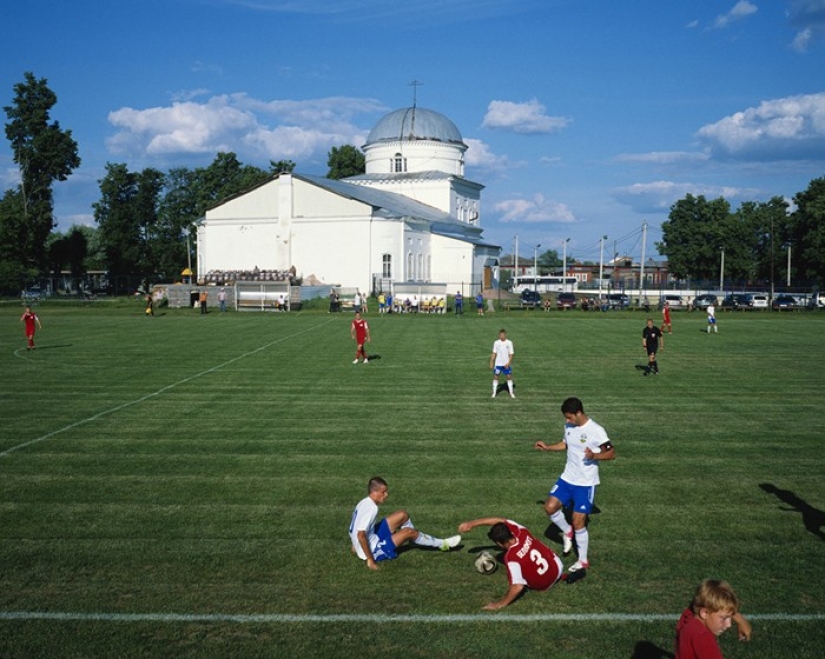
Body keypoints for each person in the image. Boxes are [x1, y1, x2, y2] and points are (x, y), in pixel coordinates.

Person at [534, 397, 615, 572]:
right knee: (549, 507)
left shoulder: (596, 431)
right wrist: (548, 447)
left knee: (578, 522)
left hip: (585, 483)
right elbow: (565, 444)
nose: (567, 421)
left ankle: (583, 561)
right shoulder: (570, 426)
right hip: (566, 478)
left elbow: (611, 453)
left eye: (570, 417)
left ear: (579, 413)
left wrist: (595, 456)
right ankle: (567, 532)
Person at [349, 476, 461, 570]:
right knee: (408, 532)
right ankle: (443, 544)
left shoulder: (364, 502)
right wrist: (370, 560)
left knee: (402, 515)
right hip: (374, 550)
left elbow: (355, 528)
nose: (386, 495)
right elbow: (361, 534)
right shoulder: (372, 508)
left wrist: (355, 546)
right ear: (374, 492)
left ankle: (414, 541)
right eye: (383, 492)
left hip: (371, 538)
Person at [457, 517, 564, 610]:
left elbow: (517, 587)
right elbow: (501, 520)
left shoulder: (511, 558)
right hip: (558, 567)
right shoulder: (521, 531)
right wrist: (473, 523)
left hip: (544, 585)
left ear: (499, 543)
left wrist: (499, 604)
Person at [675, 579, 752, 659]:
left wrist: (740, 619)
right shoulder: (703, 638)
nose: (729, 625)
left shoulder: (687, 618)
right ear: (704, 613)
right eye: (724, 618)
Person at [490, 328, 515, 399]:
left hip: (506, 364)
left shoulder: (509, 343)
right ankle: (494, 393)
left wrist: (508, 363)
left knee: (509, 377)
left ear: (505, 335)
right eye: (500, 335)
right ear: (499, 335)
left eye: (503, 335)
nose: (501, 336)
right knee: (496, 376)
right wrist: (491, 362)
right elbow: (494, 353)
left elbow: (511, 354)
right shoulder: (496, 343)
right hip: (498, 364)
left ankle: (511, 393)